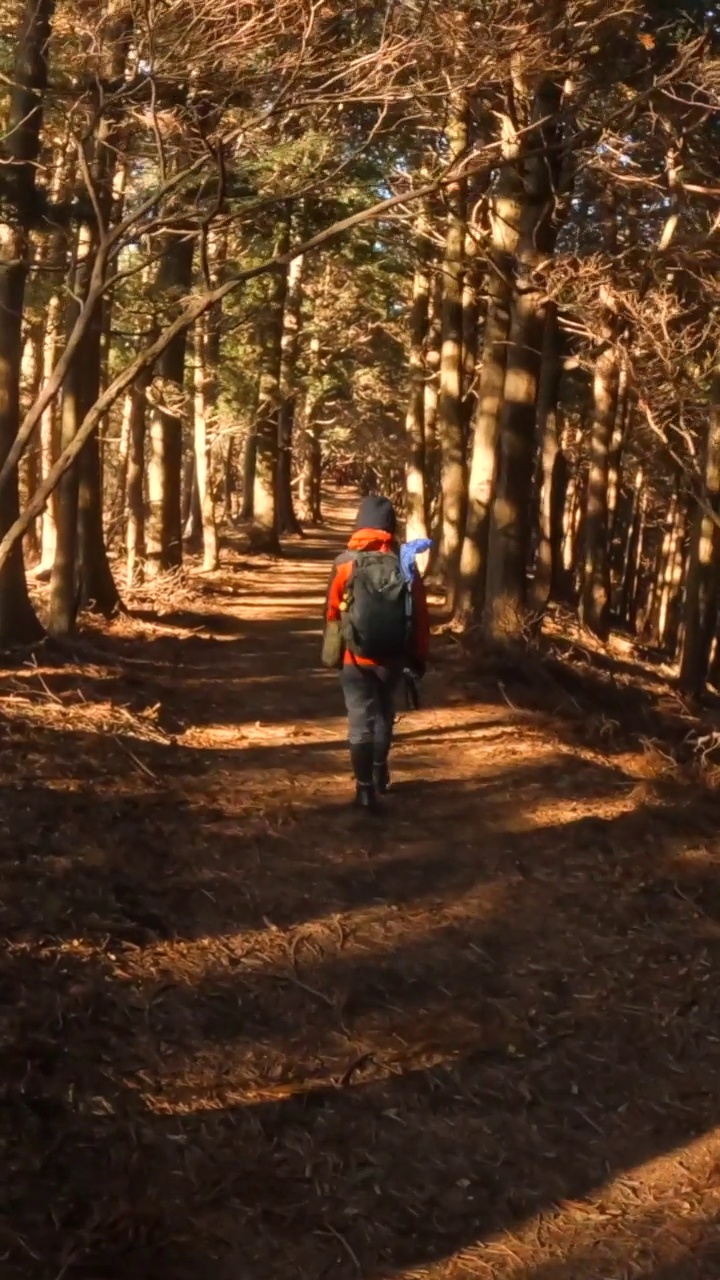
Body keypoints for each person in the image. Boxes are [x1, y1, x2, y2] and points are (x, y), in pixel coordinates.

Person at [322, 495, 430, 809]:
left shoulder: (344, 562)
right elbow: (420, 616)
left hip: (353, 657)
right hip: (393, 656)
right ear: (390, 527)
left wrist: (334, 649)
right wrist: (418, 657)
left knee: (360, 719)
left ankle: (364, 789)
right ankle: (380, 772)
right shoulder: (405, 564)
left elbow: (331, 611)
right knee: (384, 715)